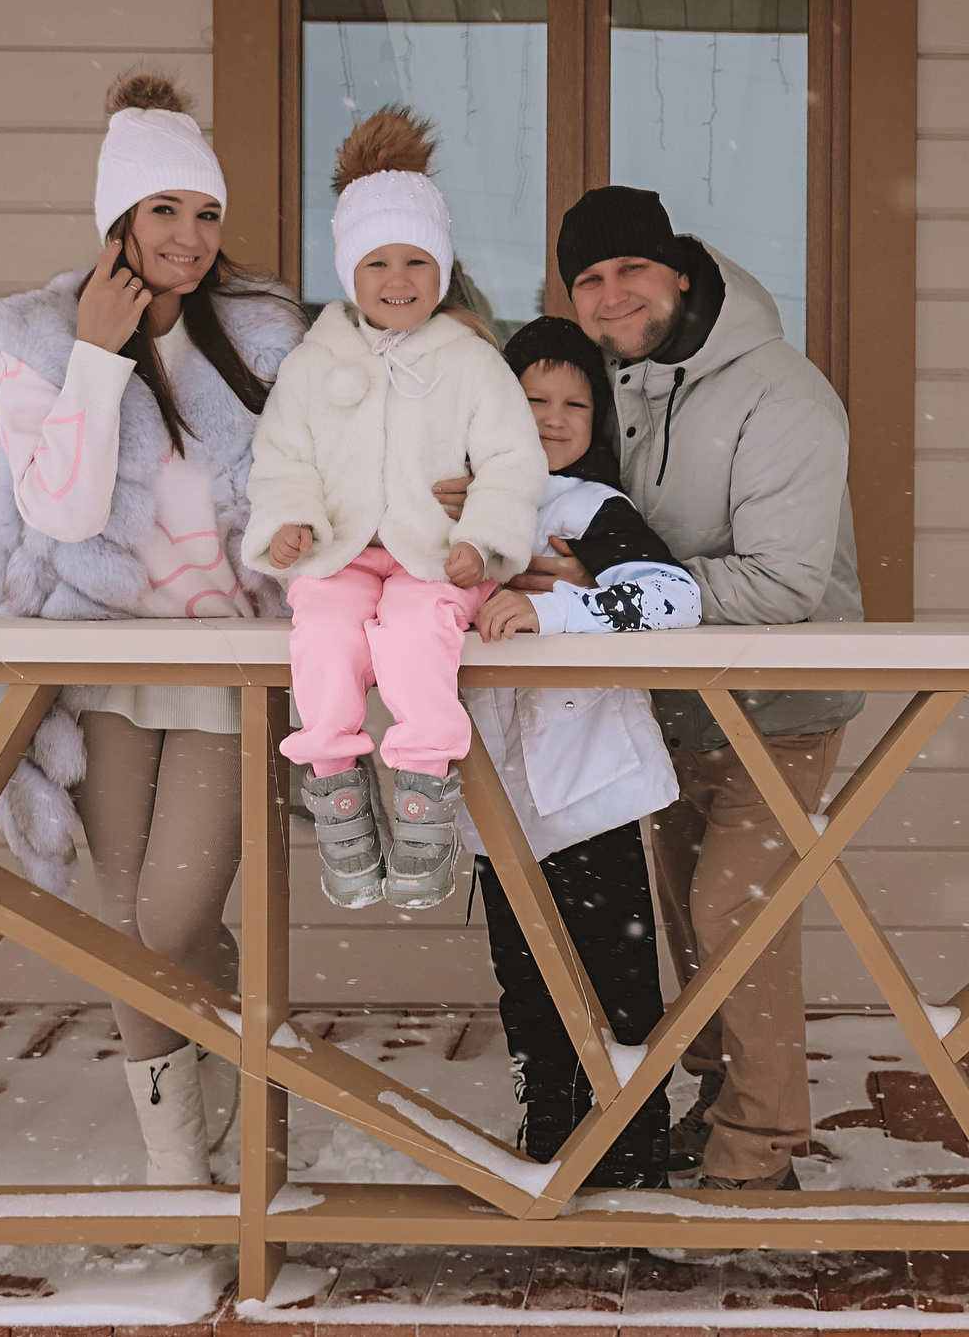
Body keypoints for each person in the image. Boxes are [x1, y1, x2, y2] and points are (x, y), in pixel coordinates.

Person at [0, 71, 306, 1185]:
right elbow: (58, 510)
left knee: (170, 918)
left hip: (233, 663)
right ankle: (182, 1159)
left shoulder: (264, 340)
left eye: (206, 213)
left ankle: (259, 1080)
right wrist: (97, 358)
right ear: (119, 217)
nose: (192, 236)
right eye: (165, 210)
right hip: (105, 662)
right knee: (130, 928)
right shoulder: (35, 337)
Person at [549, 184, 863, 1191]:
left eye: (629, 269)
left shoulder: (780, 389)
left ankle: (758, 1149)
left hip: (778, 707)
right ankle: (719, 1099)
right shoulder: (611, 385)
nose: (610, 295)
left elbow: (781, 583)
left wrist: (615, 592)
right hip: (673, 711)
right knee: (689, 914)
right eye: (588, 280)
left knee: (736, 910)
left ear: (678, 270)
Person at [241, 108, 546, 914]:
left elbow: (515, 462)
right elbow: (283, 460)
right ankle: (337, 785)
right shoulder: (314, 364)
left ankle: (421, 793)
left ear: (442, 270)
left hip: (433, 558)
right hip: (340, 553)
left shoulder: (471, 364)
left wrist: (483, 540)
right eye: (378, 262)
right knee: (326, 638)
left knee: (417, 639)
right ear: (350, 273)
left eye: (417, 260)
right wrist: (290, 524)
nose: (398, 277)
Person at [460, 317, 701, 1188]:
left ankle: (633, 1154)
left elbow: (672, 597)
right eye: (533, 400)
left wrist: (553, 610)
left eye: (576, 403)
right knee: (527, 981)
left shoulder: (587, 509)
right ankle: (553, 1147)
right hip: (493, 794)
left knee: (616, 980)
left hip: (591, 788)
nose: (555, 418)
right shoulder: (461, 506)